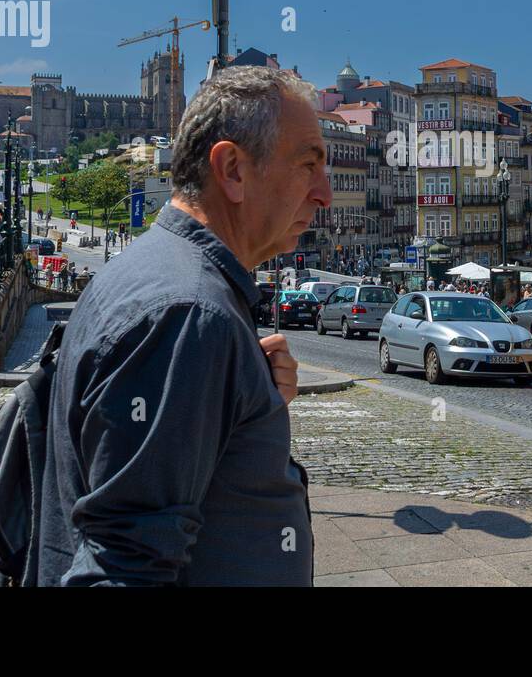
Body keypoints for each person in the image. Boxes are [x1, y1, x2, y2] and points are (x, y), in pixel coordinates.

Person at [39, 66, 329, 586]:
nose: (324, 193)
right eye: (308, 165)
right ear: (233, 170)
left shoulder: (158, 274)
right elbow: (122, 570)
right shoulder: (188, 313)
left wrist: (242, 397)